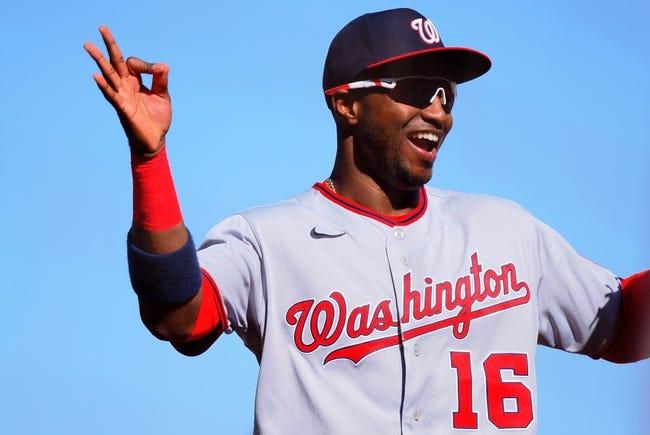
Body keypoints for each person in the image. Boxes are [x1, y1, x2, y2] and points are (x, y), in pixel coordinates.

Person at [84, 7, 649, 434]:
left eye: (446, 93)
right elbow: (179, 317)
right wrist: (151, 159)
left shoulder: (507, 231)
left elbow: (621, 322)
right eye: (412, 89)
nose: (438, 111)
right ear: (346, 103)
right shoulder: (267, 241)